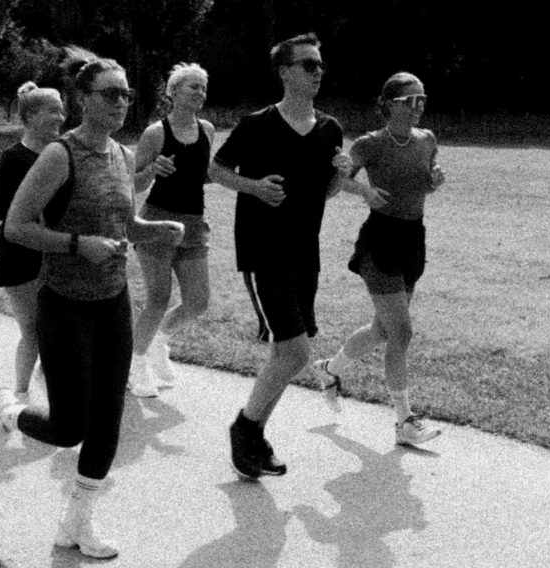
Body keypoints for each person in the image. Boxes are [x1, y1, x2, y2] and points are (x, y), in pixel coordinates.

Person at [0, 46, 184, 559]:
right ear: (83, 98)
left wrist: (155, 231)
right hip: (63, 302)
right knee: (68, 428)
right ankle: (8, 412)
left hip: (112, 300)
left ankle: (78, 522)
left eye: (127, 94)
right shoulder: (59, 155)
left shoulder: (124, 155)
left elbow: (123, 224)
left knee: (108, 420)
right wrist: (76, 245)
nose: (122, 102)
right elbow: (15, 227)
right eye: (110, 93)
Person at [209, 33, 355, 479]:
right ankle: (246, 429)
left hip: (304, 254)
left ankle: (251, 437)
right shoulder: (257, 124)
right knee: (294, 353)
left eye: (320, 65)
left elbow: (323, 194)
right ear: (285, 72)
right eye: (308, 65)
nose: (317, 72)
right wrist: (253, 187)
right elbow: (214, 169)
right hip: (263, 251)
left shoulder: (330, 128)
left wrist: (341, 175)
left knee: (287, 353)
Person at [313, 71, 445, 447]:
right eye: (410, 101)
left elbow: (423, 186)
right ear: (389, 105)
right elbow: (331, 190)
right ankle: (404, 421)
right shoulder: (370, 144)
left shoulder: (427, 140)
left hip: (413, 240)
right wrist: (362, 190)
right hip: (380, 241)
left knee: (382, 330)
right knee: (402, 332)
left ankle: (329, 369)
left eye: (423, 100)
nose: (419, 107)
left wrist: (434, 182)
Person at [127, 63, 215, 398]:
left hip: (193, 222)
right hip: (157, 222)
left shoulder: (206, 129)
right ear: (173, 91)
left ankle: (158, 342)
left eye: (203, 88)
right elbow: (131, 184)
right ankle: (135, 365)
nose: (200, 93)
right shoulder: (155, 133)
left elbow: (203, 175)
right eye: (193, 86)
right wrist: (152, 168)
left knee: (198, 301)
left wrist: (233, 174)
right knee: (159, 297)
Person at [0, 81, 64, 402]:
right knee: (33, 332)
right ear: (32, 115)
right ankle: (19, 398)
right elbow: (4, 215)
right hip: (21, 258)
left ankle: (49, 388)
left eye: (62, 109)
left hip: (55, 255)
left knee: (57, 330)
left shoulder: (59, 155)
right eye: (53, 110)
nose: (61, 116)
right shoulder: (13, 160)